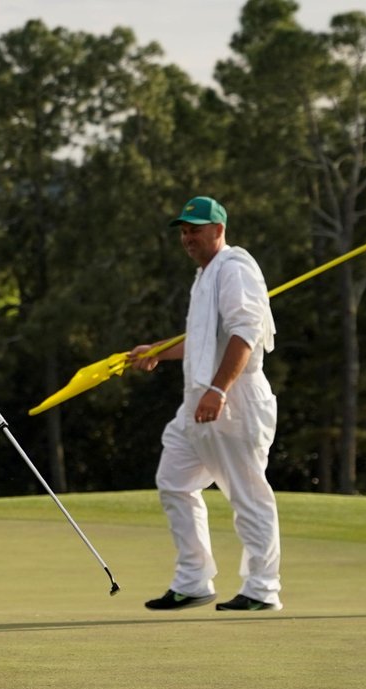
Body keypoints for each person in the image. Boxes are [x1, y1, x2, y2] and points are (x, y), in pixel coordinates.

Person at [128, 196, 282, 612]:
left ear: (219, 229)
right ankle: (194, 581)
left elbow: (244, 336)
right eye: (183, 230)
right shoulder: (206, 274)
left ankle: (263, 589)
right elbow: (202, 342)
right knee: (174, 480)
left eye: (195, 229)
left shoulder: (234, 268)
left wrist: (218, 390)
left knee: (247, 494)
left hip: (234, 398)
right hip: (197, 398)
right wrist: (160, 351)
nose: (187, 237)